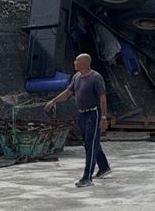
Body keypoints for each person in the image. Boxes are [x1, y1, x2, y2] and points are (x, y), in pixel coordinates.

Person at [44, 53, 111, 188]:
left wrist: (103, 118)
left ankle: (87, 178)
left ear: (85, 63)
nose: (74, 62)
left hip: (94, 113)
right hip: (82, 115)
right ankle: (104, 167)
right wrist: (53, 101)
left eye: (77, 61)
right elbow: (68, 93)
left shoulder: (96, 78)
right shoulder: (77, 77)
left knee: (91, 145)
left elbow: (103, 98)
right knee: (89, 143)